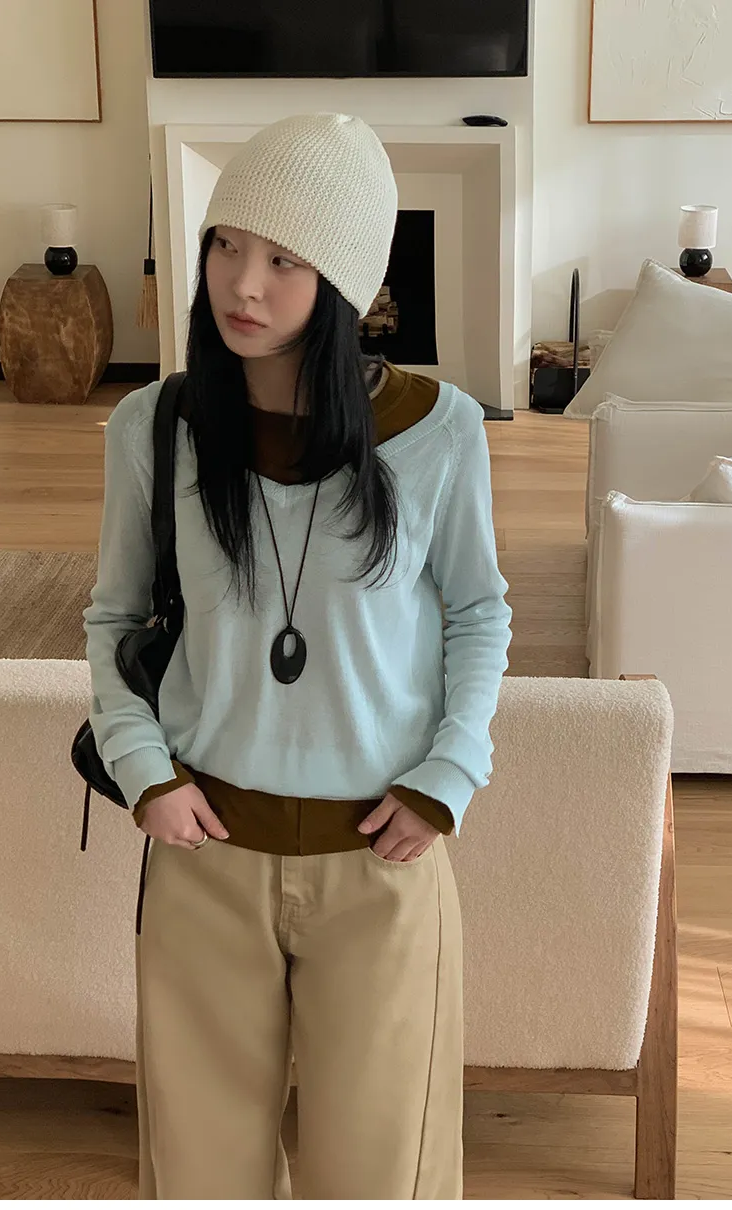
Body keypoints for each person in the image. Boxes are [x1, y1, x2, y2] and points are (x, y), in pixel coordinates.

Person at [83, 112, 512, 1200]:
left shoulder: (442, 431)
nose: (243, 284)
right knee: (200, 1174)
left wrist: (451, 773)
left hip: (382, 861)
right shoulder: (155, 426)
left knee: (381, 1174)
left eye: (285, 259)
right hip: (203, 854)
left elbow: (478, 612)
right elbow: (114, 619)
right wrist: (144, 774)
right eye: (227, 244)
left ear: (345, 284)